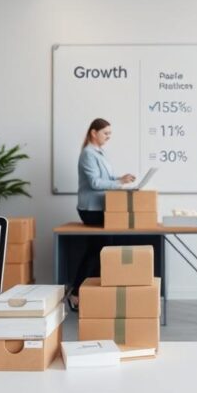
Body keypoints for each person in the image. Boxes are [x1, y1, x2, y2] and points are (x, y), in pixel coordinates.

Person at [69, 118, 135, 309]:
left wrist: (120, 178)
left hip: (102, 207)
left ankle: (89, 292)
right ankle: (76, 294)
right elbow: (95, 183)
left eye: (110, 134)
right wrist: (119, 183)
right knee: (100, 249)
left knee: (102, 248)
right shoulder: (88, 154)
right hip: (91, 210)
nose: (108, 137)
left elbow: (105, 178)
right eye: (105, 133)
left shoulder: (100, 152)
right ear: (93, 133)